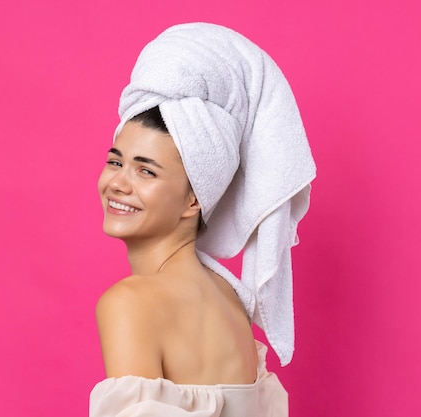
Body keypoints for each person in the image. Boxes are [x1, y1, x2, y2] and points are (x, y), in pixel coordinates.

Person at [90, 23, 316, 417]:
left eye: (147, 171)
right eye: (116, 161)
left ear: (194, 198)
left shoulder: (129, 303)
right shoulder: (230, 299)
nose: (118, 184)